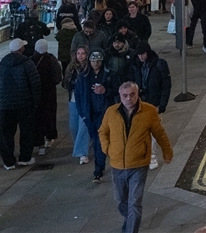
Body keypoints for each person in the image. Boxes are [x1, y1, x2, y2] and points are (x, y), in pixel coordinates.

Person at [98, 81, 173, 233]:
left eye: (132, 95)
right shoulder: (111, 112)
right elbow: (102, 131)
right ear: (120, 96)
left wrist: (167, 152)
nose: (128, 99)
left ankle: (131, 229)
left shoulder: (149, 111)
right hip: (117, 164)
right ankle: (130, 219)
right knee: (120, 200)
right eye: (125, 96)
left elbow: (160, 133)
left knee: (134, 203)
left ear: (137, 94)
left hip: (139, 164)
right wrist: (108, 149)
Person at [0, 39, 41, 170]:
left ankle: (8, 162)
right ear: (21, 49)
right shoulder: (28, 64)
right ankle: (25, 158)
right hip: (24, 104)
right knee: (26, 131)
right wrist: (35, 102)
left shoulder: (0, 65)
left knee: (5, 134)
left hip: (3, 106)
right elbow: (35, 84)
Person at [76, 50, 119, 182]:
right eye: (93, 61)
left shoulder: (110, 74)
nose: (96, 63)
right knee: (97, 142)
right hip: (90, 115)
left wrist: (106, 91)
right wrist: (83, 114)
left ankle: (101, 169)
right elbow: (78, 96)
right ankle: (99, 168)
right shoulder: (83, 77)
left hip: (105, 113)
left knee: (104, 141)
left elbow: (119, 90)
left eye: (98, 61)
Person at [62, 45, 93, 165]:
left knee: (83, 125)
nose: (80, 56)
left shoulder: (90, 67)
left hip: (85, 99)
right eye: (78, 53)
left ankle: (82, 153)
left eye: (83, 53)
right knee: (73, 126)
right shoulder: (71, 67)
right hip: (73, 99)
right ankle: (80, 145)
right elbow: (65, 82)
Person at [31, 40, 62, 155]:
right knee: (49, 114)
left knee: (37, 117)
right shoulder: (51, 60)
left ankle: (39, 143)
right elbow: (57, 77)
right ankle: (49, 137)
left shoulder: (31, 60)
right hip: (49, 93)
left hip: (36, 94)